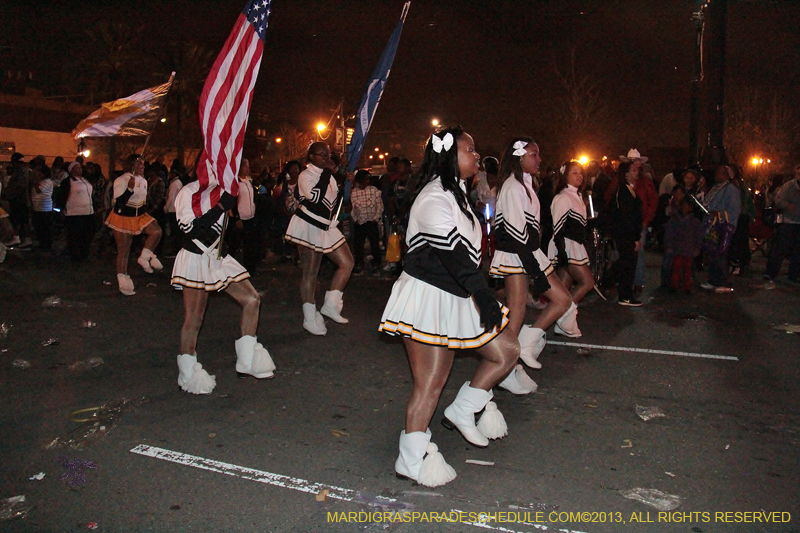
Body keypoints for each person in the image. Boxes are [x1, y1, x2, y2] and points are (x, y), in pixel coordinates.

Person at [379, 127, 518, 487]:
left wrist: (479, 292)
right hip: (429, 297)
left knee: (506, 351)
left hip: (456, 295)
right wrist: (484, 294)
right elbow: (454, 256)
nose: (476, 155)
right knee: (430, 383)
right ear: (449, 155)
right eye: (470, 149)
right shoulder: (433, 197)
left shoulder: (458, 194)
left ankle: (464, 408)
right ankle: (411, 457)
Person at [170, 180, 275, 394]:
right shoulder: (188, 192)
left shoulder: (222, 191)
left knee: (252, 299)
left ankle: (246, 361)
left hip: (218, 255)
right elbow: (189, 229)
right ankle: (187, 373)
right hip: (195, 257)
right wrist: (220, 206)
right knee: (194, 318)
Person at [489, 138, 572, 380]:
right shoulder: (513, 187)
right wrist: (536, 272)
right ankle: (504, 365)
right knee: (516, 313)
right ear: (520, 157)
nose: (539, 159)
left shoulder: (525, 184)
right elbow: (516, 235)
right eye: (534, 154)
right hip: (518, 255)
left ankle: (519, 350)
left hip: (528, 252)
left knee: (559, 300)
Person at [284, 142, 354, 335]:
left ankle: (330, 306)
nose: (326, 157)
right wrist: (328, 173)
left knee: (347, 263)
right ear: (311, 156)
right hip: (308, 226)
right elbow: (314, 197)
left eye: (328, 154)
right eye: (321, 154)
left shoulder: (328, 175)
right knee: (310, 273)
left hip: (326, 226)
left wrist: (343, 178)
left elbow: (332, 202)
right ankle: (309, 316)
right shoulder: (305, 175)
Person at [105, 155, 163, 296]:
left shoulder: (143, 181)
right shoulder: (122, 180)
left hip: (139, 215)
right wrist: (129, 189)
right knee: (124, 250)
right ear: (131, 165)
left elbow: (143, 202)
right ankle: (123, 280)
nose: (143, 167)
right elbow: (118, 204)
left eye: (143, 165)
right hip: (123, 217)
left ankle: (144, 257)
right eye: (139, 165)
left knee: (156, 231)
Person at [548, 161, 595, 332]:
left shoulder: (578, 196)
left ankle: (559, 323)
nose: (579, 176)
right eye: (574, 173)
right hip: (566, 246)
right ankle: (562, 318)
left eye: (581, 173)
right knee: (588, 282)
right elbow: (557, 228)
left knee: (563, 289)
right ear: (565, 175)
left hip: (573, 245)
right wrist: (562, 253)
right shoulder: (562, 197)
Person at [607, 161, 644, 306]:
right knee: (627, 264)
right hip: (626, 234)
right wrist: (634, 237)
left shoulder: (629, 189)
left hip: (626, 233)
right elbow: (627, 217)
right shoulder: (624, 192)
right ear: (626, 174)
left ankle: (610, 282)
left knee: (626, 263)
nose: (636, 172)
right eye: (633, 170)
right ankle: (625, 295)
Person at [701, 165, 741, 293]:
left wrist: (718, 214)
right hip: (713, 225)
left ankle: (723, 282)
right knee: (712, 254)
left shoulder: (731, 189)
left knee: (720, 255)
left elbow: (734, 211)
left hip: (723, 226)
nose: (717, 175)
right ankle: (713, 280)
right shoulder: (716, 188)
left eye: (721, 173)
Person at [763, 163, 800, 288]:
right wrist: (788, 205)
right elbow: (778, 200)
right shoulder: (789, 186)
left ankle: (794, 274)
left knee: (797, 251)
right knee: (780, 249)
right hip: (788, 221)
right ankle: (770, 273)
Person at [664, 196, 705, 293]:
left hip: (688, 249)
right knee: (676, 268)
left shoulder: (694, 222)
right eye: (683, 206)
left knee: (687, 269)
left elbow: (698, 236)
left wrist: (697, 248)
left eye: (687, 206)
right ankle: (674, 285)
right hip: (677, 248)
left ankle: (687, 286)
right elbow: (669, 233)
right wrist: (669, 245)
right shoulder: (675, 220)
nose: (685, 208)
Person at [350, 169, 383, 274]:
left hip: (371, 222)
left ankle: (376, 264)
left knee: (374, 245)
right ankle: (359, 264)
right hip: (359, 223)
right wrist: (355, 219)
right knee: (358, 245)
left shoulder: (373, 190)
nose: (367, 182)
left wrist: (376, 218)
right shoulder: (354, 192)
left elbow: (380, 206)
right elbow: (352, 208)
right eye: (365, 179)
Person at [62, 161, 95, 261]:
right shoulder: (68, 182)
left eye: (80, 167)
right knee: (75, 235)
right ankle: (75, 254)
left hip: (88, 212)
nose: (79, 169)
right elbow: (62, 195)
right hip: (74, 213)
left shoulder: (85, 180)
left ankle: (84, 252)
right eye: (76, 168)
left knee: (86, 234)